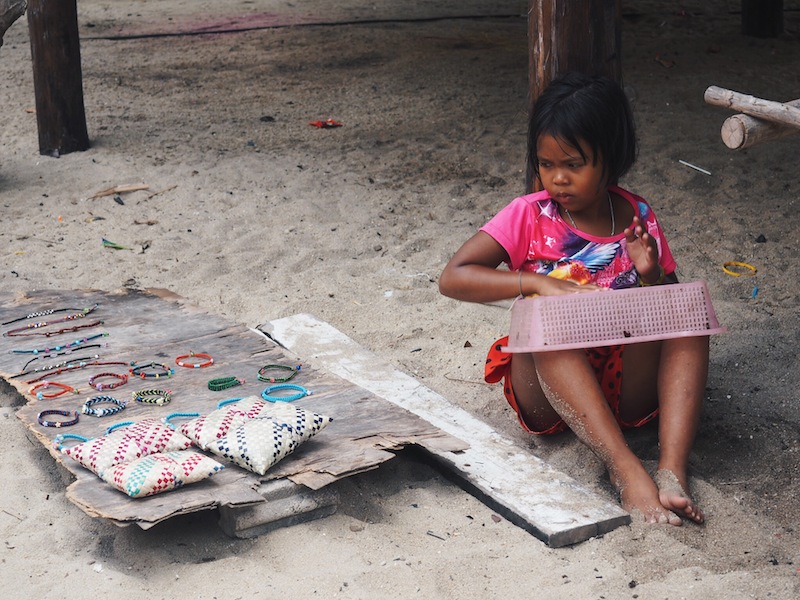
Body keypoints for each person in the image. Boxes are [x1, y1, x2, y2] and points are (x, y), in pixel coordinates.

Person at [439, 72, 708, 526]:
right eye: (546, 164)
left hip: (625, 391)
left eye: (574, 164)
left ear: (611, 158)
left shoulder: (637, 215)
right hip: (548, 390)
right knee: (546, 319)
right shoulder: (529, 214)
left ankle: (671, 470)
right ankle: (625, 470)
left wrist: (653, 277)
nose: (558, 178)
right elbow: (453, 277)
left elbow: (668, 313)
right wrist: (535, 283)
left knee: (691, 315)